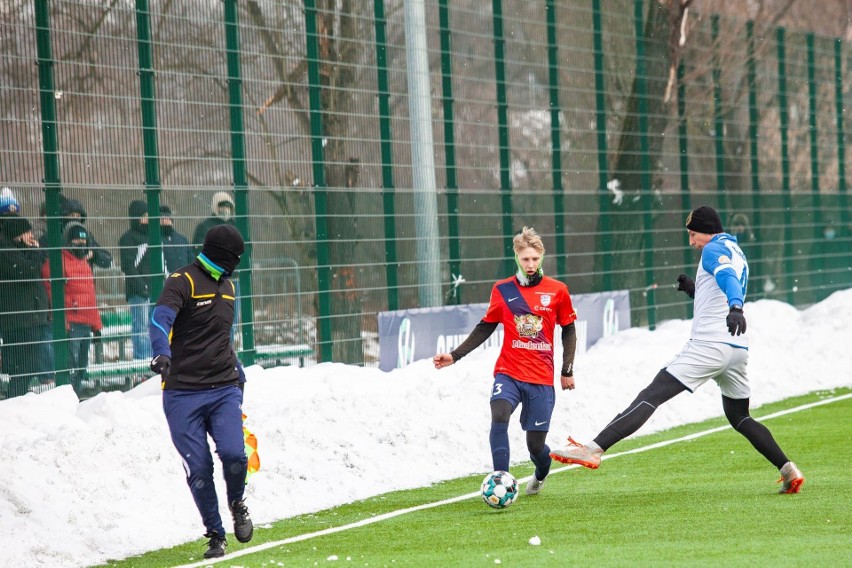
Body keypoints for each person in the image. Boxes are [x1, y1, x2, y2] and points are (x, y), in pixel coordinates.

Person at [550, 205, 805, 494]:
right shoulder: (735, 250)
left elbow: (727, 280)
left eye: (693, 234)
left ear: (707, 232)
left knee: (651, 395)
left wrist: (736, 307)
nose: (691, 241)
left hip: (709, 344)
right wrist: (696, 290)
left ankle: (593, 449)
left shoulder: (711, 250)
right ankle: (788, 469)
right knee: (740, 416)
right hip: (737, 347)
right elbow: (721, 285)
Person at [433, 226, 578, 496]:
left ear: (542, 257)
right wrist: (454, 355)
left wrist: (567, 370)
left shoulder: (557, 291)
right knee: (499, 416)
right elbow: (485, 326)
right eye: (525, 259)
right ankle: (502, 481)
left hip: (540, 378)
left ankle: (541, 472)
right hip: (508, 372)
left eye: (535, 258)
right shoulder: (503, 290)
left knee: (536, 447)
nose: (531, 264)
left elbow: (569, 329)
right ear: (517, 258)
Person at [148, 224, 252, 559]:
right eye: (235, 257)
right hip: (183, 394)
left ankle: (237, 503)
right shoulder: (183, 281)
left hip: (224, 388)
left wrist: (238, 374)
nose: (237, 263)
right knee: (200, 469)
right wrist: (161, 351)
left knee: (235, 455)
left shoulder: (229, 288)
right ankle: (215, 535)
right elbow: (160, 318)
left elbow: (219, 338)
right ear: (224, 255)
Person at [41, 222, 102, 396]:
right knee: (70, 366)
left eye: (83, 241)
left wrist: (96, 325)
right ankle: (66, 398)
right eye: (76, 240)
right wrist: (62, 320)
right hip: (71, 322)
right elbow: (51, 294)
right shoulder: (56, 262)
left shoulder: (84, 263)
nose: (80, 244)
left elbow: (91, 295)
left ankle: (74, 397)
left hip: (86, 323)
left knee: (81, 366)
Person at [0, 216, 52, 398]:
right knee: (22, 369)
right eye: (27, 232)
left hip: (31, 318)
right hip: (19, 321)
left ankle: (17, 398)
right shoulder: (6, 251)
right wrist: (36, 251)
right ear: (18, 235)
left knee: (27, 369)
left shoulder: (19, 250)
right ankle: (15, 400)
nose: (31, 236)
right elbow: (26, 270)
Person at [119, 200, 153, 360]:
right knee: (141, 329)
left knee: (157, 329)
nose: (147, 219)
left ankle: (157, 362)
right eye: (144, 216)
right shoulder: (128, 238)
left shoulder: (154, 235)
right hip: (139, 292)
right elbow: (128, 266)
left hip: (155, 291)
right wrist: (142, 287)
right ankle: (143, 364)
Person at [159, 205, 193, 274]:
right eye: (162, 219)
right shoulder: (154, 240)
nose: (165, 221)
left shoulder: (182, 239)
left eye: (167, 218)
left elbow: (191, 259)